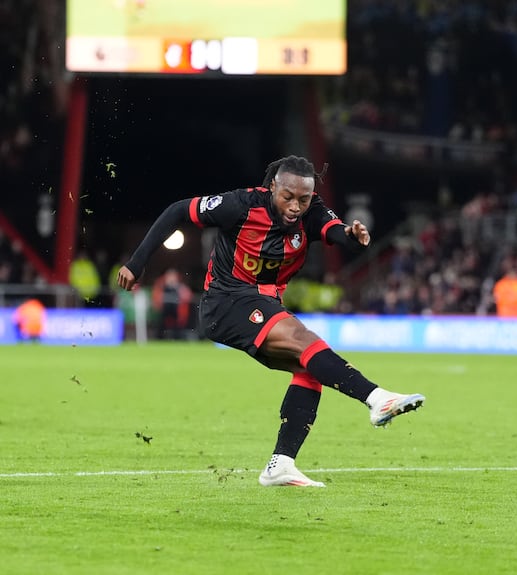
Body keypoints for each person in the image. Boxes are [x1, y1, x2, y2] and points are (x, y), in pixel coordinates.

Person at [117, 155, 425, 487]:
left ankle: (281, 464)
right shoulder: (241, 205)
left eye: (303, 199)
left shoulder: (311, 212)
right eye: (288, 197)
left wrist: (352, 236)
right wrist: (137, 263)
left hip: (262, 303)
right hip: (226, 300)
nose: (296, 206)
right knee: (303, 339)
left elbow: (334, 231)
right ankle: (377, 399)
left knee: (309, 368)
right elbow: (178, 209)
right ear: (273, 186)